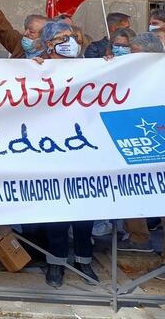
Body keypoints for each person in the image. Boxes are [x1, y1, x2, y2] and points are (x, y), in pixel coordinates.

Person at [33, 21, 98, 287]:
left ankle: (84, 261)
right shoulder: (36, 68)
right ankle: (55, 264)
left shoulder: (92, 68)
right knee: (56, 216)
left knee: (85, 215)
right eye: (61, 38)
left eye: (72, 36)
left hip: (85, 150)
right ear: (49, 45)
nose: (69, 41)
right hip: (51, 152)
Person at [119, 31, 165, 280]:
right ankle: (138, 239)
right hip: (133, 140)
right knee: (129, 190)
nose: (128, 57)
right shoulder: (127, 74)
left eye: (133, 53)